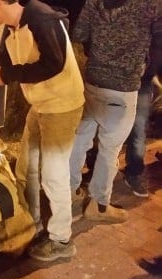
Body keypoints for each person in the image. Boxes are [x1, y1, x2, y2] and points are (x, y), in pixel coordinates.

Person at [0, 0, 85, 262]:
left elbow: (54, 63)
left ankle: (61, 239)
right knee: (26, 169)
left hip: (62, 106)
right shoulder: (10, 31)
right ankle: (32, 224)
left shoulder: (42, 19)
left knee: (53, 174)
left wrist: (11, 73)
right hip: (40, 106)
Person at [69, 0, 159, 223]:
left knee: (79, 141)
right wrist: (147, 66)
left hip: (92, 82)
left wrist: (98, 48)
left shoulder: (94, 2)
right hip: (123, 89)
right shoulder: (151, 5)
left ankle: (68, 192)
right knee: (109, 151)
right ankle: (98, 205)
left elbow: (79, 33)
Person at [123, 16, 162, 198]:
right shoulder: (132, 17)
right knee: (107, 129)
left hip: (143, 84)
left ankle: (134, 173)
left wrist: (154, 77)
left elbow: (156, 56)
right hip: (118, 82)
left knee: (138, 131)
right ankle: (93, 172)